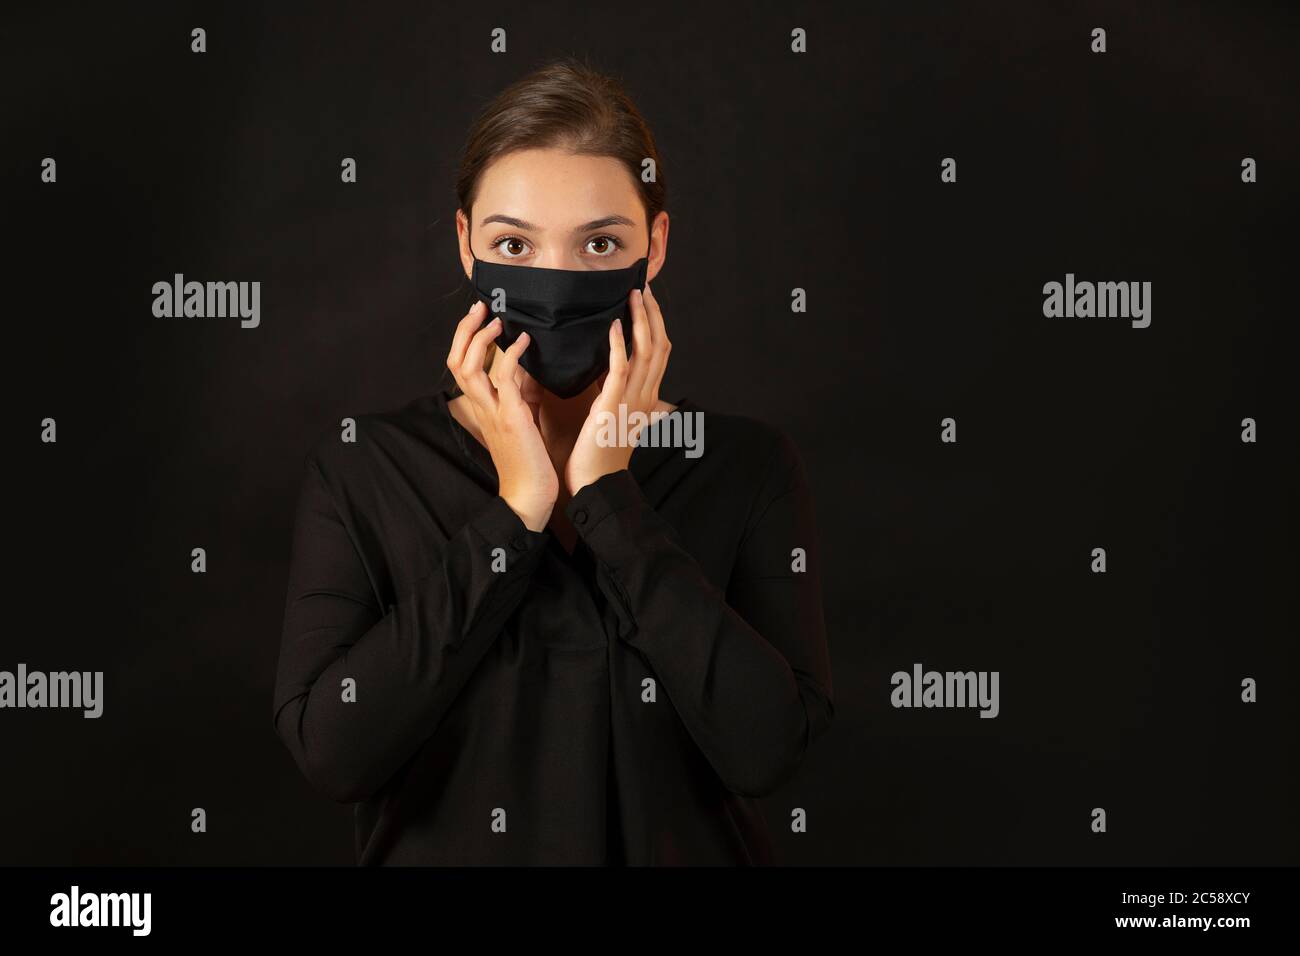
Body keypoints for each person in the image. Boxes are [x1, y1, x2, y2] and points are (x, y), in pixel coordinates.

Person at [272, 56, 834, 865]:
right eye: (514, 243)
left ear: (657, 245)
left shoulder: (746, 466)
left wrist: (608, 498)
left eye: (601, 243)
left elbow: (768, 749)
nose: (558, 281)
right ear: (466, 245)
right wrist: (518, 510)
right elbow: (334, 752)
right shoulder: (365, 468)